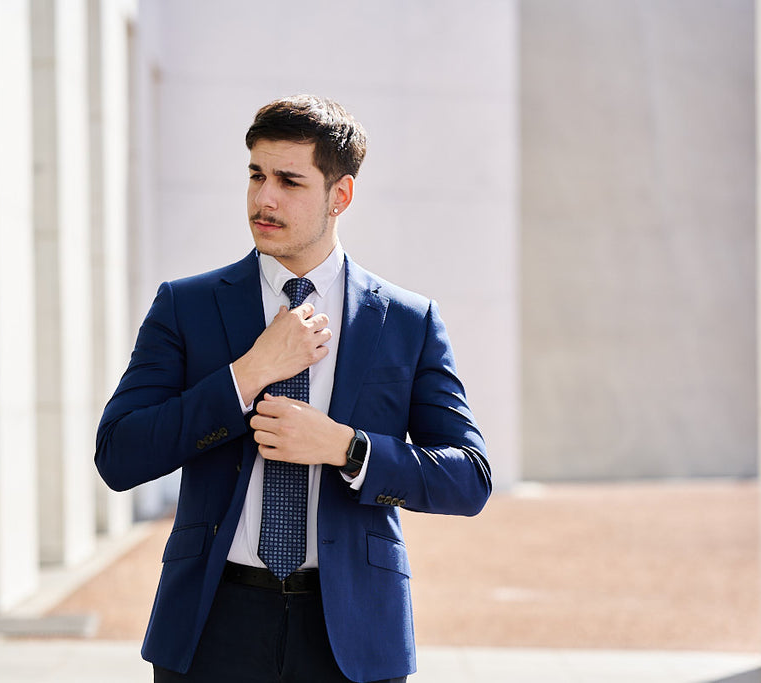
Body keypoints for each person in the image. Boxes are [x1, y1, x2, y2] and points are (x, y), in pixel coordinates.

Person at [95, 94, 491, 683]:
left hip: (353, 631)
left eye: (289, 181)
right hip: (211, 623)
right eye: (256, 175)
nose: (264, 198)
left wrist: (347, 448)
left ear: (340, 195)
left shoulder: (406, 321)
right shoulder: (186, 306)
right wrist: (248, 373)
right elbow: (119, 454)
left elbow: (468, 477)